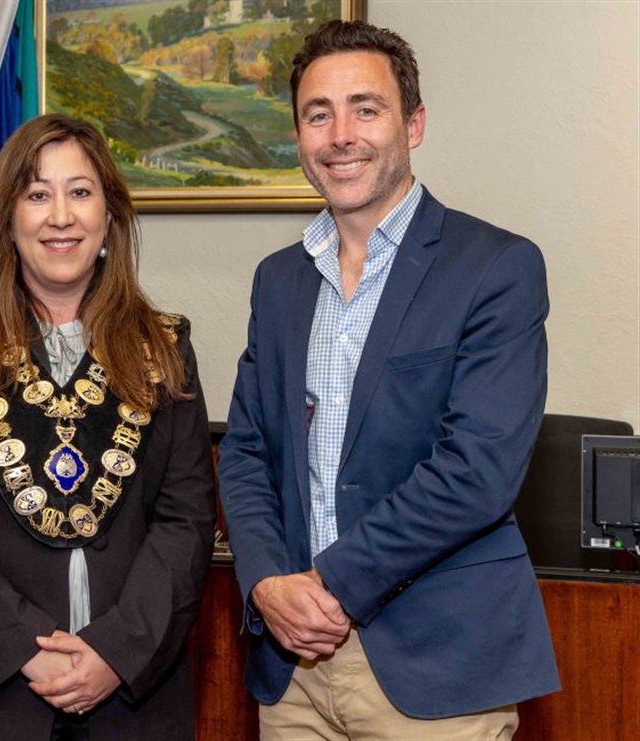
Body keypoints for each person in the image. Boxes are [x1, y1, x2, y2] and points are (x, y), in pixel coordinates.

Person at [218, 19, 560, 740]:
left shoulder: (496, 268)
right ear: (299, 136)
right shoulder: (277, 281)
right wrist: (267, 581)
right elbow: (246, 450)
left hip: (436, 671)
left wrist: (330, 582)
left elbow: (477, 472)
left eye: (365, 108)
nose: (341, 134)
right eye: (319, 114)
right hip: (292, 672)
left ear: (414, 122)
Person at [0, 113, 217, 741]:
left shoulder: (165, 348)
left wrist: (114, 653)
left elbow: (187, 521)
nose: (60, 216)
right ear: (8, 221)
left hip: (133, 699)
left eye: (80, 192)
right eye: (37, 194)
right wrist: (26, 649)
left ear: (110, 217)